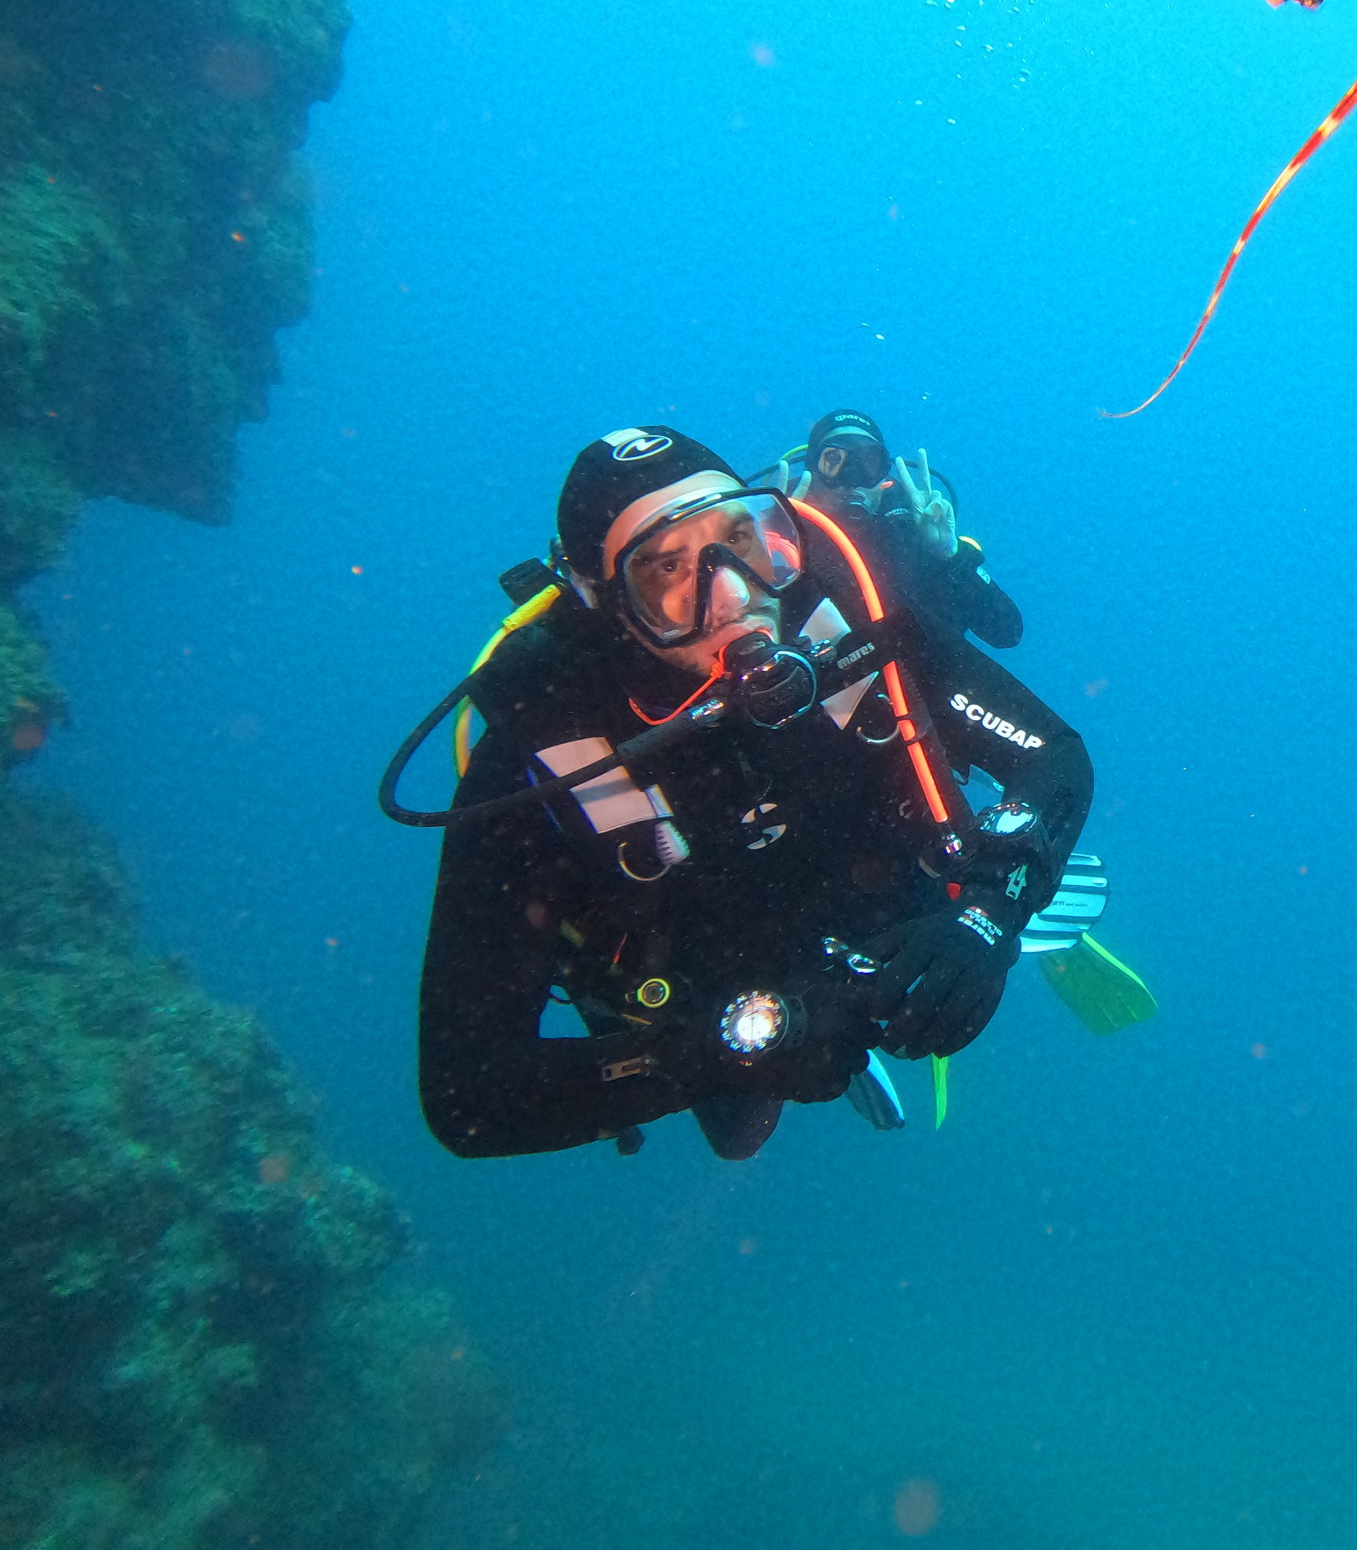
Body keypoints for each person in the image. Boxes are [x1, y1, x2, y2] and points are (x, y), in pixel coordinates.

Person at [412, 427, 1092, 1159]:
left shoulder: (848, 626)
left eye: (742, 536)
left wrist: (992, 910)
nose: (734, 594)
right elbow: (468, 1095)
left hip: (896, 900)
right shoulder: (538, 760)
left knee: (973, 888)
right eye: (666, 567)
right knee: (739, 1127)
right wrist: (719, 1053)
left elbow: (1053, 755)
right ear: (600, 600)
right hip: (712, 994)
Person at [771, 409, 1024, 649]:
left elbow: (1007, 631)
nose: (853, 478)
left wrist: (950, 554)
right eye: (834, 461)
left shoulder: (910, 534)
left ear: (884, 474)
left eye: (869, 463)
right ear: (812, 471)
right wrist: (771, 556)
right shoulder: (780, 537)